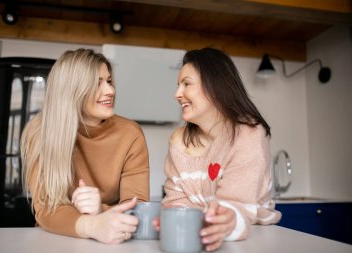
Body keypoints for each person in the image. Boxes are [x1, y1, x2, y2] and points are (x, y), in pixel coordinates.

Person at [20, 48, 150, 244]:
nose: (110, 90)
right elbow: (46, 209)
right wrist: (93, 224)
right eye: (96, 84)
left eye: (108, 81)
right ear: (72, 90)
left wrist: (100, 210)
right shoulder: (40, 132)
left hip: (113, 242)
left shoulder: (130, 134)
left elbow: (138, 208)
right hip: (57, 241)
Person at [160, 48, 281, 251]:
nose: (177, 94)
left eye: (186, 84)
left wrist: (220, 223)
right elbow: (176, 202)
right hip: (199, 236)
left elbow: (237, 206)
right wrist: (176, 221)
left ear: (214, 86)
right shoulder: (179, 142)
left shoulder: (248, 133)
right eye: (178, 86)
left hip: (255, 239)